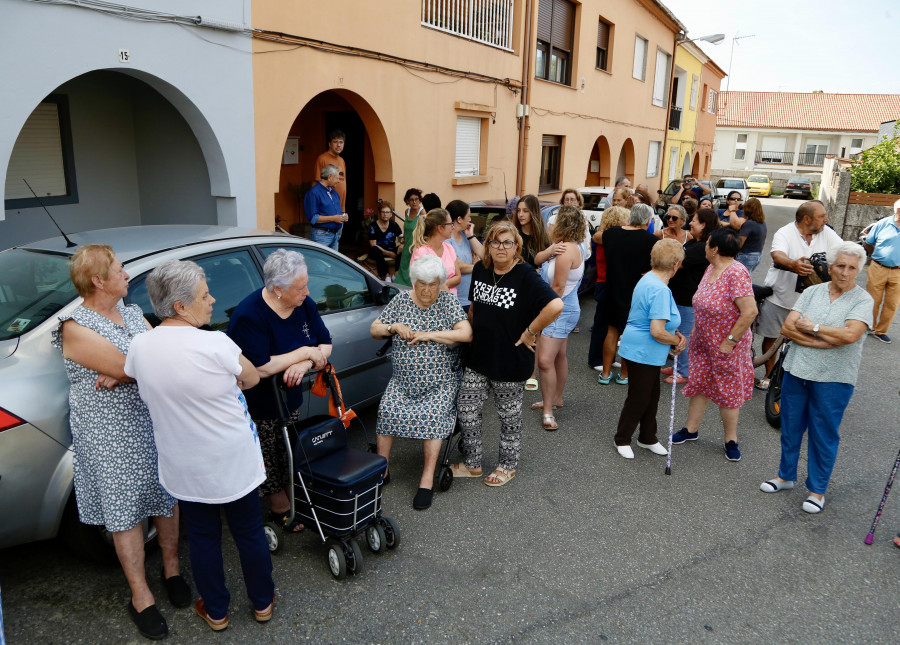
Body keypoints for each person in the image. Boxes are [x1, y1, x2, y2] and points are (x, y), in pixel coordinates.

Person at [124, 260, 275, 631]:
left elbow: (130, 374)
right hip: (233, 457)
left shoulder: (140, 347)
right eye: (204, 295)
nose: (213, 300)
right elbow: (252, 378)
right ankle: (262, 602)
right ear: (180, 306)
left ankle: (217, 611)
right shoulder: (215, 342)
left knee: (204, 537)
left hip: (185, 463)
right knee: (248, 530)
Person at [50, 245, 186, 640]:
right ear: (99, 280)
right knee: (126, 513)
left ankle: (172, 569)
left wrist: (128, 368)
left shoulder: (130, 313)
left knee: (166, 498)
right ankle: (140, 595)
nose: (127, 275)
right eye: (120, 269)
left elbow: (157, 359)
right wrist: (132, 367)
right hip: (109, 436)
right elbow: (141, 364)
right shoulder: (75, 325)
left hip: (150, 423)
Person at [759, 242, 873, 514]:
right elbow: (788, 327)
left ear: (858, 270)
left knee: (823, 435)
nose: (845, 272)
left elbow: (850, 336)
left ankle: (817, 491)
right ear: (830, 267)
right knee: (790, 427)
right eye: (840, 266)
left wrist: (813, 328)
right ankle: (785, 477)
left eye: (852, 268)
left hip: (835, 378)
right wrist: (823, 340)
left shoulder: (862, 299)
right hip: (798, 370)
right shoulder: (812, 291)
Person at [227, 249, 332, 533]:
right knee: (266, 452)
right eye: (300, 287)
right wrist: (303, 352)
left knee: (288, 447)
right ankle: (278, 505)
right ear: (277, 290)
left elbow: (325, 343)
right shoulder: (249, 315)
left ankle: (295, 495)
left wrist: (308, 360)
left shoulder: (304, 304)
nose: (307, 292)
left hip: (288, 396)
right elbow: (259, 367)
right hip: (257, 400)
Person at [452, 222, 563, 486]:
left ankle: (507, 465)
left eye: (507, 243)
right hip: (478, 357)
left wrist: (530, 331)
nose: (501, 247)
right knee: (466, 410)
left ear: (516, 248)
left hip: (510, 359)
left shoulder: (525, 275)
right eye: (495, 242)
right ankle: (473, 463)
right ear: (487, 245)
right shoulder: (480, 269)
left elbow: (555, 305)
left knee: (508, 417)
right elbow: (474, 309)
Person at [370, 255, 472, 510]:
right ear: (414, 282)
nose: (427, 289)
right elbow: (375, 329)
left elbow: (466, 333)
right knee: (387, 411)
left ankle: (426, 478)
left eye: (433, 284)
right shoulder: (402, 300)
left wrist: (431, 335)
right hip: (403, 382)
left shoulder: (447, 301)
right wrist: (393, 327)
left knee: (433, 416)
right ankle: (382, 470)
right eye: (422, 284)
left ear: (441, 283)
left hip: (440, 382)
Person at [671, 228, 758, 461]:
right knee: (700, 382)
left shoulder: (737, 273)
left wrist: (729, 343)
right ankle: (691, 429)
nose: (705, 246)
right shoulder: (711, 268)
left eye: (708, 243)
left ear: (715, 249)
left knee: (727, 390)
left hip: (726, 344)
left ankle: (731, 439)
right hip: (703, 341)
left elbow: (749, 312)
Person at [613, 239, 687, 459]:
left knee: (651, 395)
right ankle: (622, 438)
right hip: (644, 350)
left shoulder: (648, 279)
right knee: (640, 397)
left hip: (644, 350)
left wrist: (675, 336)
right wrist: (676, 340)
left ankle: (647, 437)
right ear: (675, 265)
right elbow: (657, 330)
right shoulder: (660, 289)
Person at [757, 200, 842, 389]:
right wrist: (793, 264)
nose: (826, 219)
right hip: (780, 297)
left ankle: (798, 377)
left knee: (806, 341)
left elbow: (843, 251)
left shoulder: (826, 232)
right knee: (771, 338)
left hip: (812, 302)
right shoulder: (785, 233)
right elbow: (777, 255)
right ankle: (769, 375)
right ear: (806, 219)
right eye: (822, 216)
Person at [534, 206, 586, 430]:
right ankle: (556, 399)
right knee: (558, 355)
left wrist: (542, 314)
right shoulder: (563, 247)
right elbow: (536, 259)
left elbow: (558, 287)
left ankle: (549, 411)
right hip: (563, 308)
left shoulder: (566, 251)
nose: (548, 226)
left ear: (561, 225)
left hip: (559, 309)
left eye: (551, 223)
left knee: (545, 360)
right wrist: (549, 250)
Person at [598, 204, 659, 385]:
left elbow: (599, 238)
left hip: (612, 287)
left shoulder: (610, 234)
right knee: (630, 333)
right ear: (647, 221)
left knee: (611, 330)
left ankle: (606, 373)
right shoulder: (650, 240)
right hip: (636, 291)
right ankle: (624, 375)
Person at [664, 208, 720, 385]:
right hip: (680, 295)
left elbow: (675, 265)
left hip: (687, 298)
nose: (691, 223)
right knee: (677, 331)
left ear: (703, 224)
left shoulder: (698, 248)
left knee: (684, 335)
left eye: (694, 220)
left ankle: (685, 372)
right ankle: (678, 367)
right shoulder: (694, 243)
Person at [588, 206, 630, 370]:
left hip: (609, 284)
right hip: (605, 283)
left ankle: (608, 358)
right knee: (602, 324)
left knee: (612, 324)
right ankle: (596, 359)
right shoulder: (607, 238)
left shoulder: (607, 237)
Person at [863, 197, 900, 343]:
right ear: (898, 211)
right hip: (878, 267)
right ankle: (867, 326)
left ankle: (881, 331)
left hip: (898, 271)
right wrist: (878, 256)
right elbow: (868, 242)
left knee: (892, 303)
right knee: (873, 300)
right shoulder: (883, 224)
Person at [409, 209, 461, 294]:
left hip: (450, 301)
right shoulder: (421, 252)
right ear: (440, 228)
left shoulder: (449, 248)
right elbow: (427, 284)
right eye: (450, 224)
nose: (453, 227)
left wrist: (443, 284)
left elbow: (458, 277)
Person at [446, 199, 484, 313]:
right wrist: (476, 266)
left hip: (471, 299)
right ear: (459, 219)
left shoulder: (465, 235)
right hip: (457, 301)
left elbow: (483, 254)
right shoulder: (447, 240)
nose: (470, 219)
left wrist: (471, 235)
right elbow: (457, 266)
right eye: (468, 216)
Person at [303, 164, 348, 251]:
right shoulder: (313, 193)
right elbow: (313, 218)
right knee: (319, 264)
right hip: (321, 236)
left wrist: (343, 216)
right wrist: (333, 218)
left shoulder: (334, 193)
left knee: (332, 264)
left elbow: (335, 212)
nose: (339, 181)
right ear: (330, 177)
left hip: (335, 235)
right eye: (337, 178)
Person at [726, 197, 768, 274]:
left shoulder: (749, 224)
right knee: (746, 278)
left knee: (739, 278)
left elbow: (739, 243)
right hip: (757, 255)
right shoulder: (762, 223)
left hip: (746, 255)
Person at [393, 188, 426, 286]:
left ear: (420, 200)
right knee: (403, 270)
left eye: (416, 199)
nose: (414, 202)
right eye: (411, 199)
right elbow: (407, 229)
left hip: (417, 246)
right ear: (407, 201)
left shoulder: (422, 212)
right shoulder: (407, 211)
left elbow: (425, 231)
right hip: (407, 246)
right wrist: (402, 241)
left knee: (413, 271)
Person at [513, 194, 555, 268]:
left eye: (525, 211)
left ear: (534, 212)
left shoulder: (543, 237)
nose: (520, 214)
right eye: (518, 210)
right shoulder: (513, 235)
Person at [366, 200, 403, 281]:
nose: (385, 214)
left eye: (387, 212)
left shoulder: (394, 225)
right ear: (379, 213)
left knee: (403, 248)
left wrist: (401, 245)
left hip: (392, 250)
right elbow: (373, 245)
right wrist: (388, 253)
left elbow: (402, 238)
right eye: (383, 212)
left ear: (391, 214)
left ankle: (396, 273)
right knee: (375, 249)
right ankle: (386, 275)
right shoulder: (373, 226)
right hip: (378, 252)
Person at [314, 129, 346, 211]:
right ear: (329, 144)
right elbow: (316, 182)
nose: (338, 145)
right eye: (335, 142)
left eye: (341, 142)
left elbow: (343, 182)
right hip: (327, 207)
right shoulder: (322, 158)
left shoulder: (341, 160)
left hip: (340, 207)